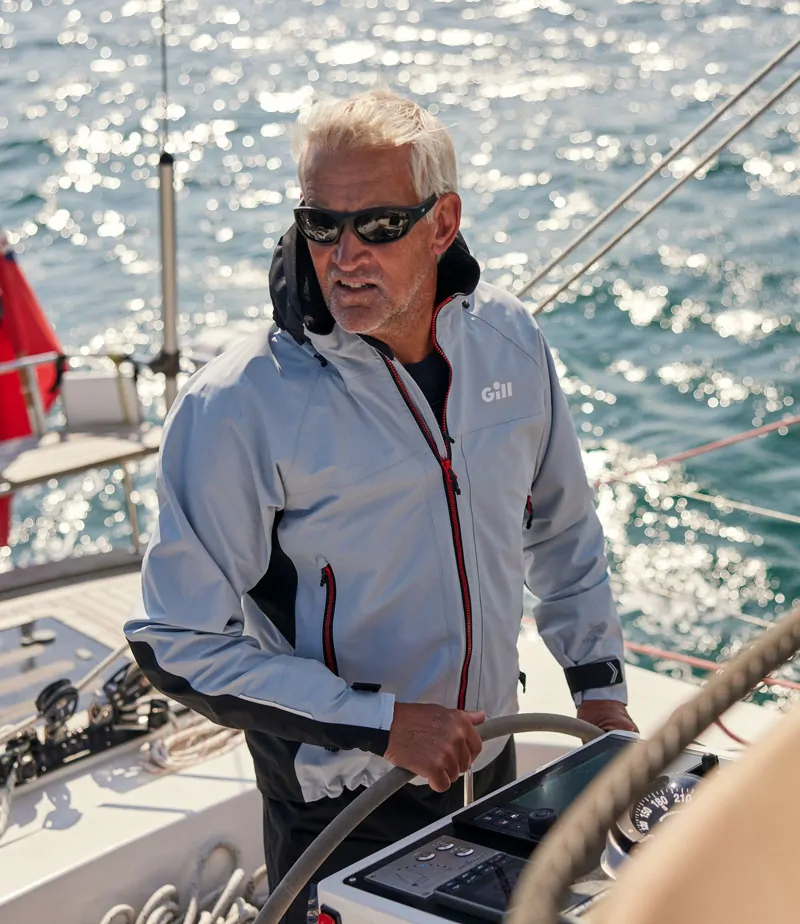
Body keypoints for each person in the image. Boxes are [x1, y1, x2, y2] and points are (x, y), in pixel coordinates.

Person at [125, 89, 636, 922]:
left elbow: (563, 530)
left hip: (490, 762)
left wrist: (599, 690)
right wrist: (382, 724)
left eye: (380, 225)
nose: (345, 256)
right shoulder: (238, 405)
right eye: (321, 225)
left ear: (442, 224)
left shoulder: (509, 340)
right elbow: (176, 642)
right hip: (341, 803)